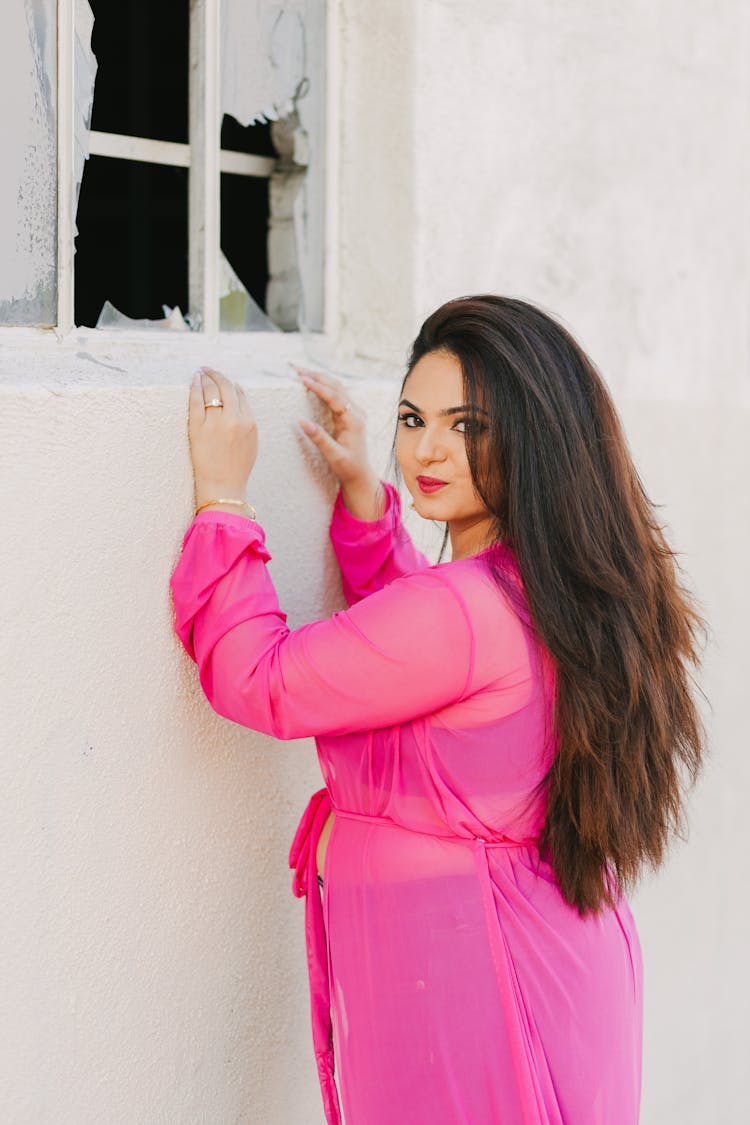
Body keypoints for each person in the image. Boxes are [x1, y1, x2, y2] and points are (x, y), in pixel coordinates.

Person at [169, 295, 705, 1125]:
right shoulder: (544, 584)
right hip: (536, 952)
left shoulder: (462, 611)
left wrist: (222, 501)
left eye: (468, 426)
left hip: (471, 976)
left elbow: (262, 679)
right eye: (415, 417)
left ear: (535, 436)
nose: (427, 448)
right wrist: (362, 495)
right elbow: (424, 661)